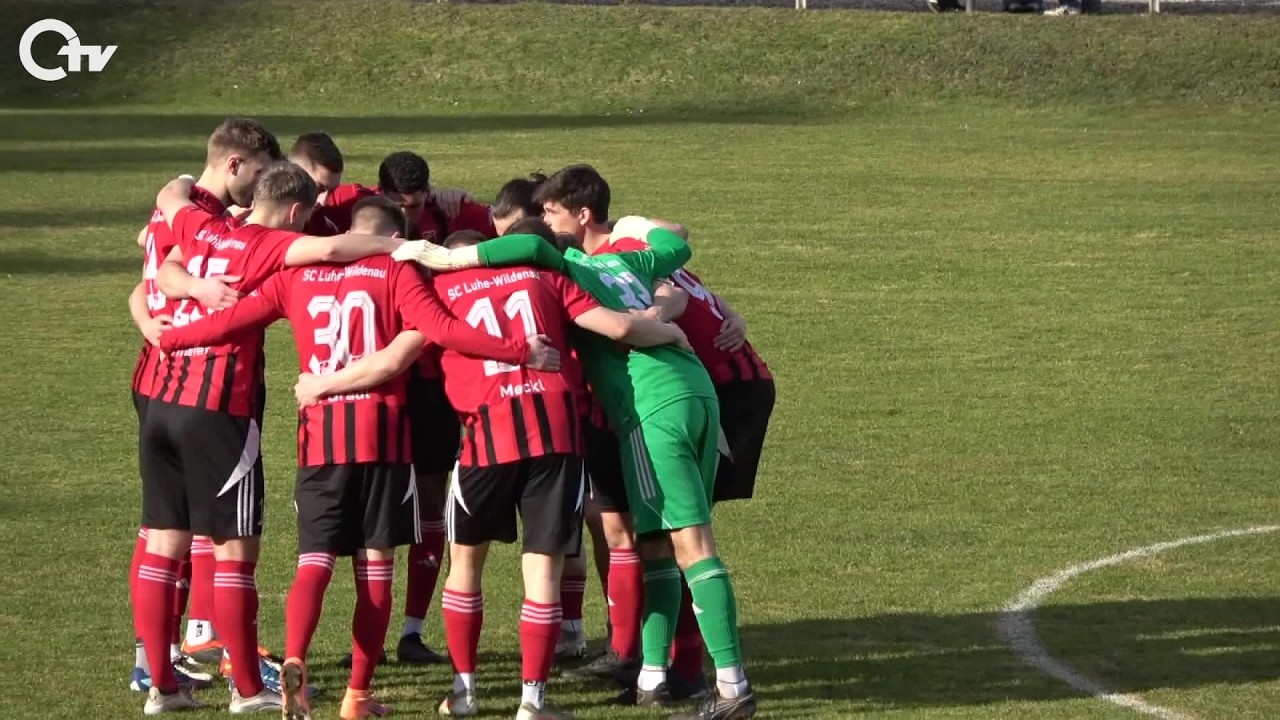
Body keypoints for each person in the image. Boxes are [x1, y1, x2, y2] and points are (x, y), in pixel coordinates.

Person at [156, 196, 560, 720]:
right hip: (383, 439)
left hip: (320, 440)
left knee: (315, 563)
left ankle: (295, 665)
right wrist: (517, 351)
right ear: (394, 237)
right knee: (375, 571)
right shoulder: (397, 272)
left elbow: (232, 320)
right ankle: (356, 696)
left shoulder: (296, 277)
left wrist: (174, 339)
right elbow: (443, 329)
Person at [396, 168, 757, 720]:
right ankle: (653, 677)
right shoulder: (627, 259)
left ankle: (733, 688)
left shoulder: (562, 269)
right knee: (655, 540)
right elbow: (674, 241)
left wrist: (444, 258)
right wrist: (663, 310)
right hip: (698, 393)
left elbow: (600, 315)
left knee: (691, 543)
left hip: (647, 404)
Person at [135, 164, 403, 714]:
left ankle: (160, 685)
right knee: (235, 551)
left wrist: (184, 298)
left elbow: (161, 239)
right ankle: (249, 690)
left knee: (163, 542)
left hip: (157, 390)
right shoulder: (270, 245)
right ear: (295, 213)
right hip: (219, 403)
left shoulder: (199, 225)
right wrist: (394, 247)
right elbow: (328, 254)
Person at [126, 117, 279, 695]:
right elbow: (166, 276)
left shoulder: (176, 209)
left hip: (157, 377)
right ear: (236, 164)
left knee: (167, 528)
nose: (259, 188)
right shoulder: (200, 222)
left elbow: (142, 284)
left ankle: (161, 663)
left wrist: (148, 324)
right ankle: (222, 665)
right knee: (221, 532)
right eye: (258, 173)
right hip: (204, 383)